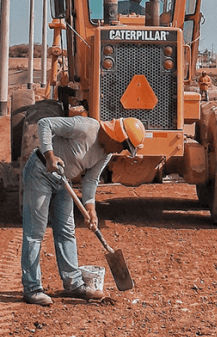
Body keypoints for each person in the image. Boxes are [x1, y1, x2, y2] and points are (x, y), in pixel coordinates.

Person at [21, 115, 146, 306]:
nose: (121, 151)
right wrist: (50, 155)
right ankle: (32, 289)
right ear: (116, 136)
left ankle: (73, 284)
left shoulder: (107, 153)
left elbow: (91, 180)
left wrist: (91, 209)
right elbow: (44, 123)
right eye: (123, 146)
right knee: (35, 233)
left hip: (64, 181)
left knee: (66, 232)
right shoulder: (85, 127)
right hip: (40, 173)